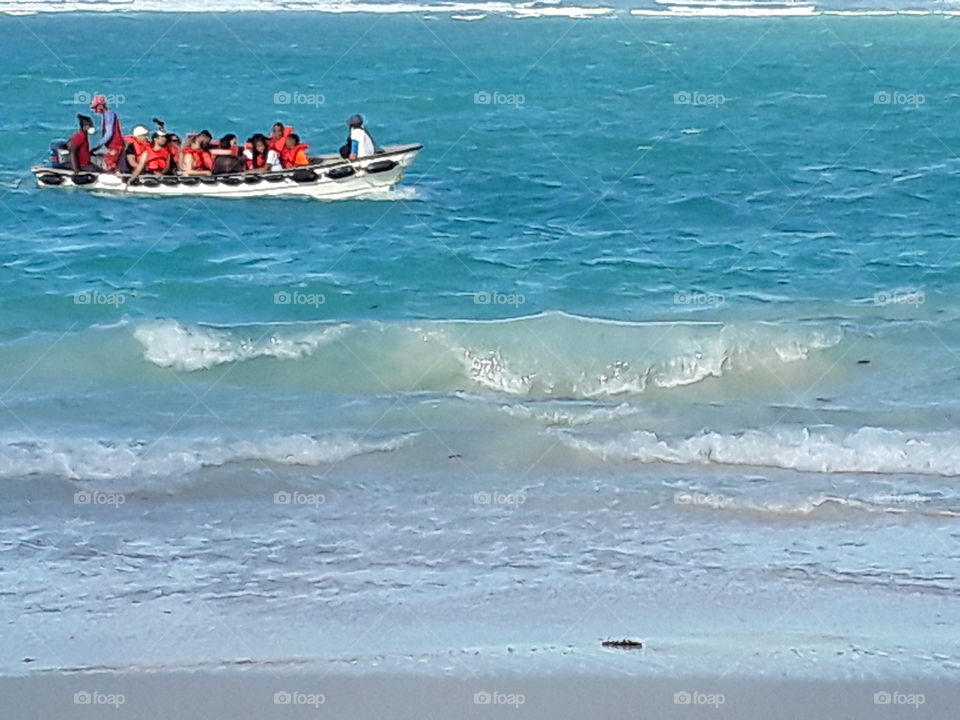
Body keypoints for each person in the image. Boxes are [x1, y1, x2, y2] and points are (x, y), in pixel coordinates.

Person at [89, 95, 125, 172]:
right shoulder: (107, 114)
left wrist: (97, 146)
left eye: (96, 107)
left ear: (101, 105)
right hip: (114, 146)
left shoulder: (109, 115)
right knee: (114, 165)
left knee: (109, 167)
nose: (95, 110)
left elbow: (109, 134)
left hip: (116, 146)